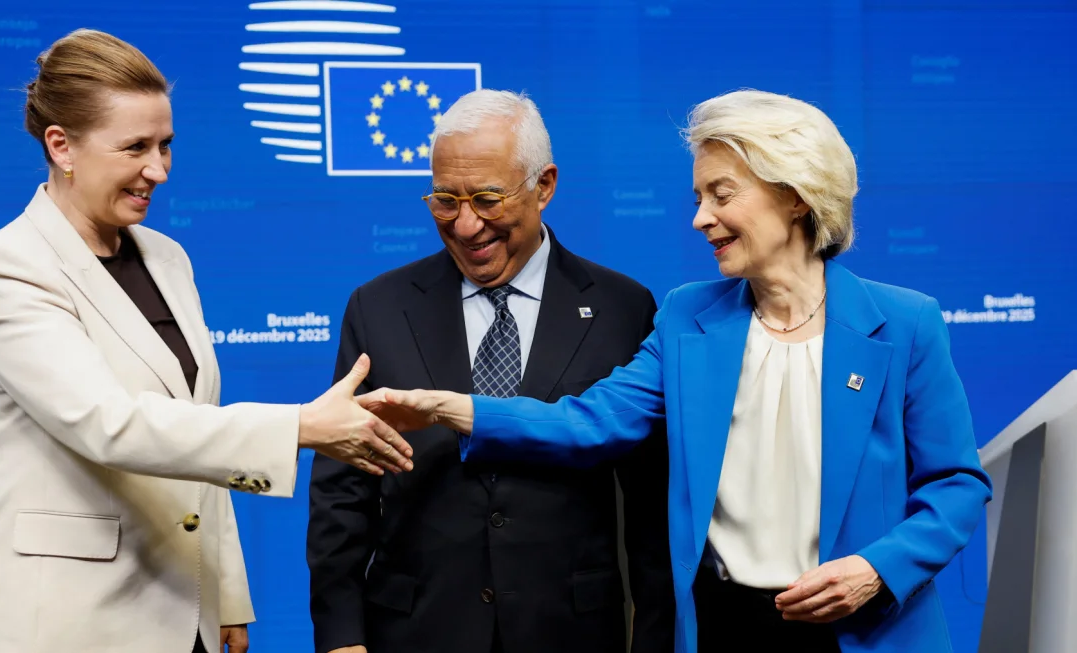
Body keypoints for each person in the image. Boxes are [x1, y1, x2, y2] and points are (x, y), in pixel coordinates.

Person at [360, 89, 993, 652]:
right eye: (698, 197)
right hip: (723, 625)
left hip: (862, 628)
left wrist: (877, 570)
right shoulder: (688, 318)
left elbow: (957, 485)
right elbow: (589, 420)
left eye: (722, 194)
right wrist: (448, 407)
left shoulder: (904, 323)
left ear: (795, 196)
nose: (700, 218)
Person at [0, 29, 412, 653]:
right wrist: (299, 427)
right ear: (61, 146)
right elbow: (108, 424)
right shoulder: (6, 266)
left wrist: (224, 594)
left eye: (166, 145)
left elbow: (195, 429)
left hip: (182, 611)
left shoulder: (167, 258)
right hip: (66, 621)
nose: (159, 170)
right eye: (135, 148)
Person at [306, 89, 676, 653]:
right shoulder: (379, 307)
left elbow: (653, 505)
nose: (466, 225)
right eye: (444, 201)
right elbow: (342, 494)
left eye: (487, 198)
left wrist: (654, 637)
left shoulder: (623, 307)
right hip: (414, 630)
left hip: (572, 631)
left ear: (544, 186)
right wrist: (339, 637)